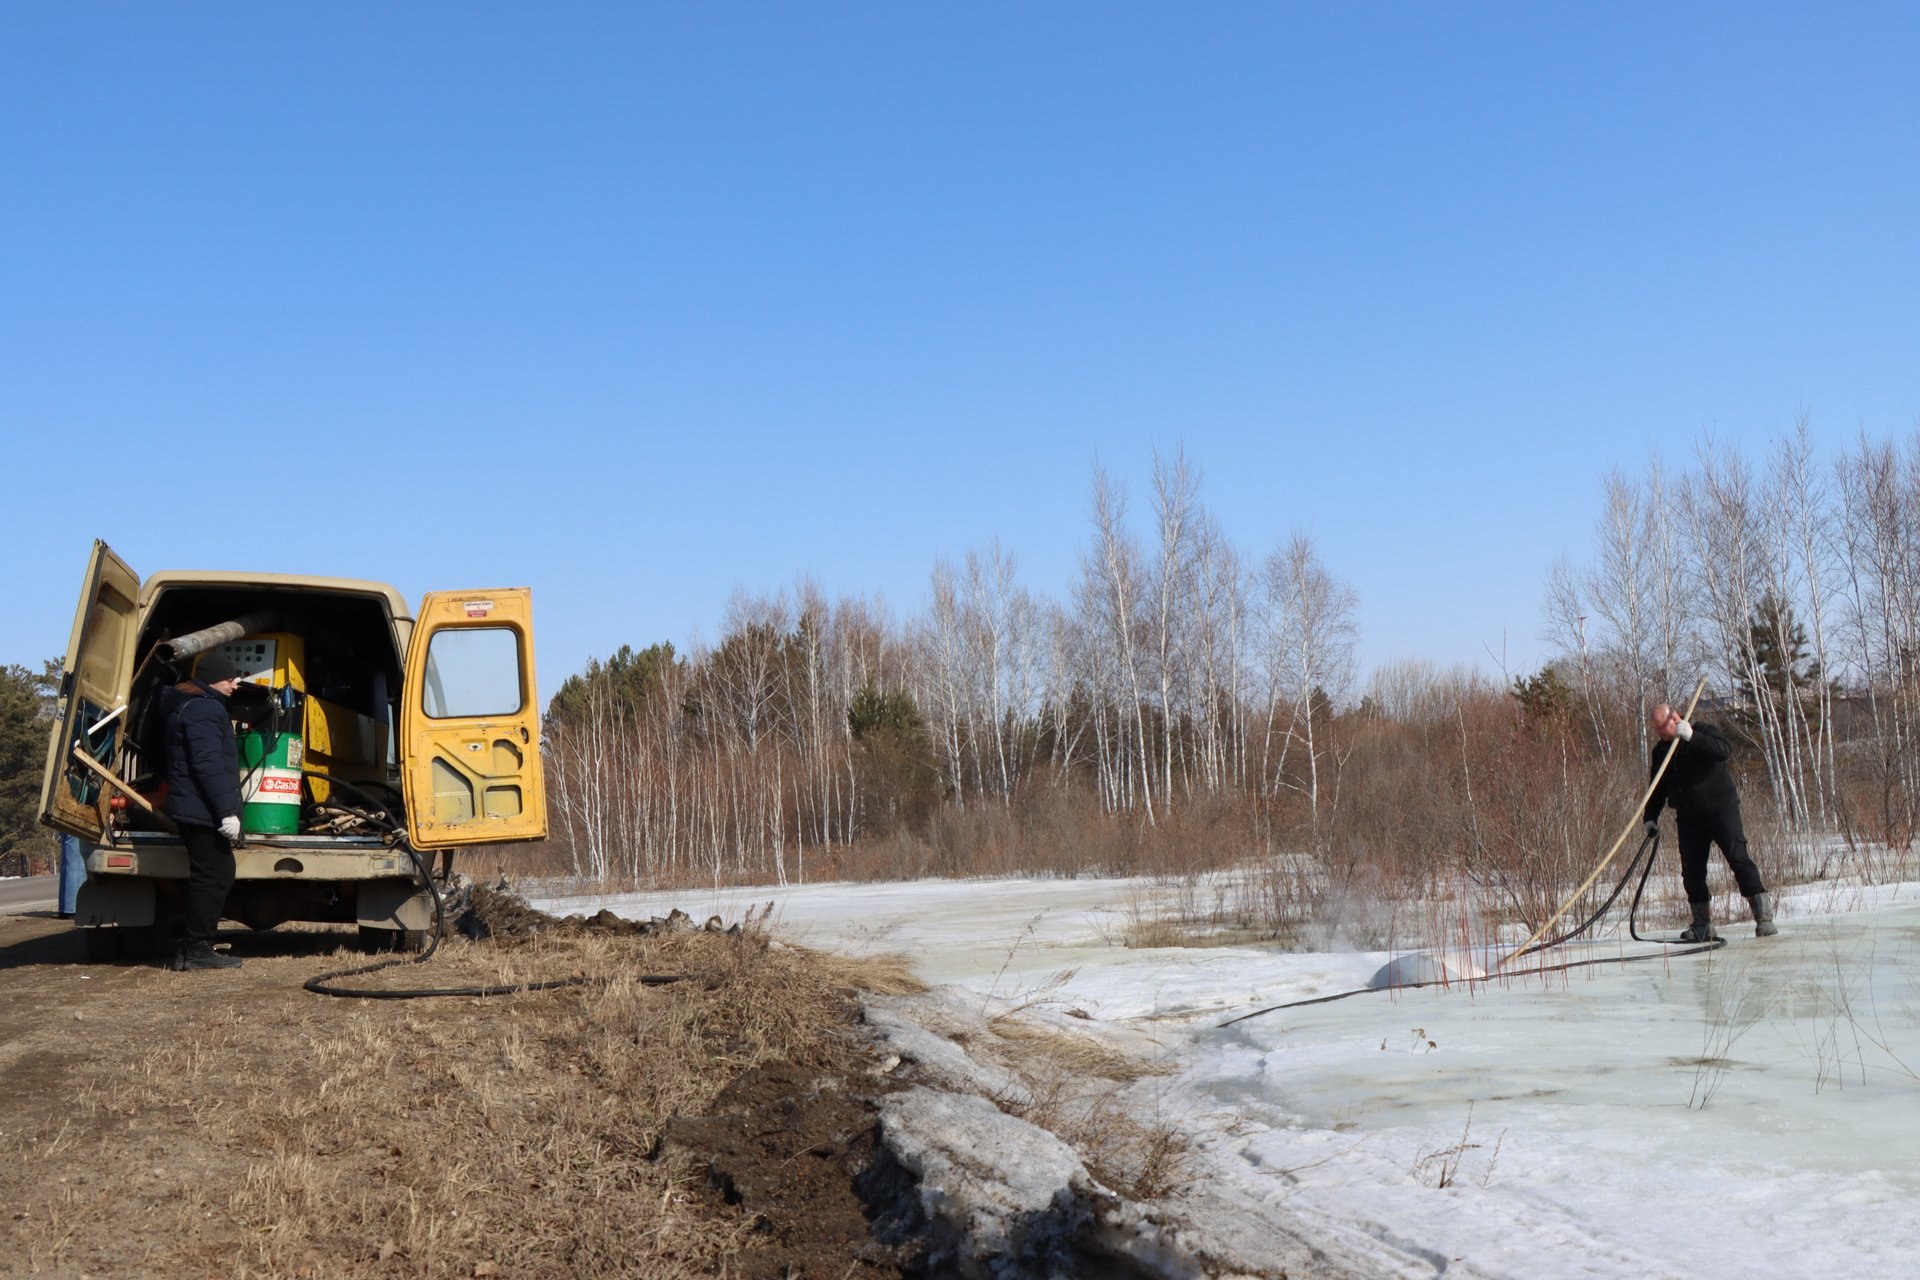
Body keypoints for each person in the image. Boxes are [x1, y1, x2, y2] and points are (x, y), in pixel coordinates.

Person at [1643, 702, 1776, 941]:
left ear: (1674, 718)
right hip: (1688, 818)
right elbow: (1657, 787)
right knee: (1691, 872)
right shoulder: (1661, 751)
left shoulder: (1703, 731)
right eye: (1656, 730)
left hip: (1721, 810)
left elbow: (1724, 751)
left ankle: (1763, 918)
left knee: (1739, 859)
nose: (1660, 733)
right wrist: (1650, 817)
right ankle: (1702, 924)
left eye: (1662, 727)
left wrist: (1692, 737)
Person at [158, 651, 246, 970]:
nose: (235, 685)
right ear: (213, 680)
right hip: (202, 808)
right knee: (214, 875)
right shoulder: (205, 709)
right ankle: (197, 948)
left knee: (212, 873)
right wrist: (227, 812)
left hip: (194, 805)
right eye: (230, 679)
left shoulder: (189, 704)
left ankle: (193, 947)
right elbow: (208, 765)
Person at [56, 831, 88, 919]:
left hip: (66, 827)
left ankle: (64, 908)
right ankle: (73, 909)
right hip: (77, 827)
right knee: (77, 865)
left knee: (68, 864)